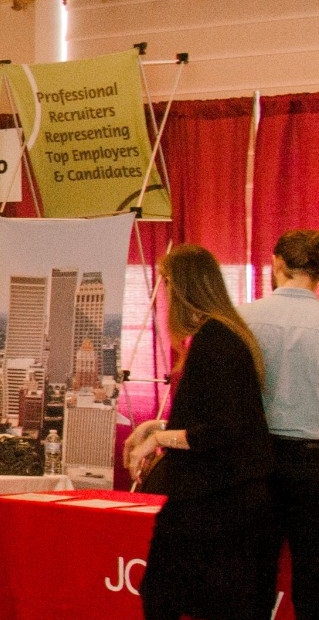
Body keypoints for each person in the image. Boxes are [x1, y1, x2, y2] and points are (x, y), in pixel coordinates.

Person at [125, 244, 278, 620]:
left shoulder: (216, 341)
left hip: (218, 503)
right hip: (224, 499)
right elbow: (214, 419)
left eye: (165, 283)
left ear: (180, 288)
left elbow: (221, 431)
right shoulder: (222, 336)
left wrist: (159, 439)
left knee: (165, 596)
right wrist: (156, 426)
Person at [239, 229, 319, 620]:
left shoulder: (242, 319)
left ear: (277, 264)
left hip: (255, 460)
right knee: (313, 576)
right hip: (314, 463)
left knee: (252, 572)